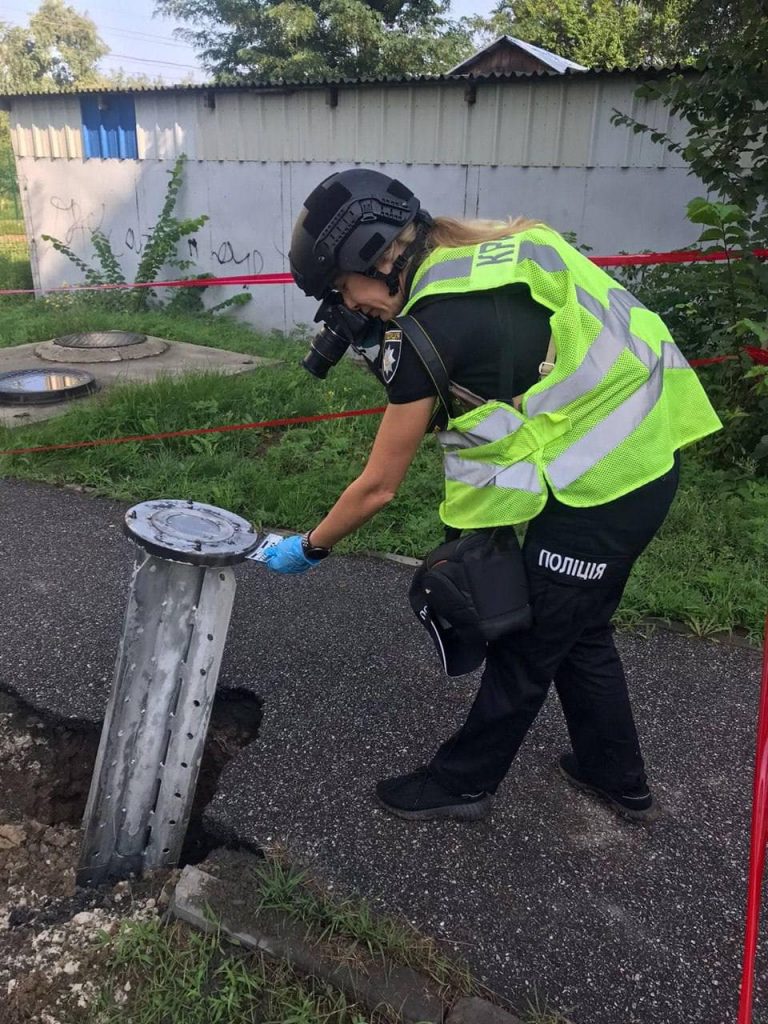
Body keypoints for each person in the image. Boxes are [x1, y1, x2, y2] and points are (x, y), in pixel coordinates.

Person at [263, 168, 722, 825]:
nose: (348, 305)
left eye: (342, 288)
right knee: (581, 630)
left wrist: (308, 548)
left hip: (605, 484)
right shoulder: (486, 257)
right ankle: (615, 775)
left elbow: (378, 487)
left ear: (377, 257)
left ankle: (464, 783)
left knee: (526, 648)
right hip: (643, 454)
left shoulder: (430, 331)